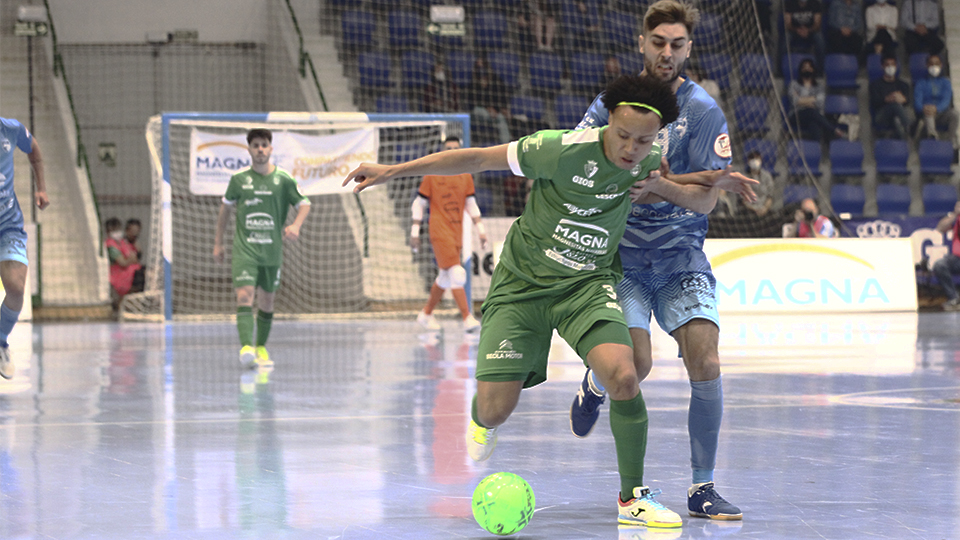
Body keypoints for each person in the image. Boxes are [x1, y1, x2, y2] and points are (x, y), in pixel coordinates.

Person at [346, 74, 753, 528]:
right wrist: (391, 171)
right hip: (523, 287)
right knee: (496, 407)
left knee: (624, 375)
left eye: (642, 141)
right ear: (608, 122)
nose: (630, 149)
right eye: (622, 136)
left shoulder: (646, 157)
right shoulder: (556, 149)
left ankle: (632, 498)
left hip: (586, 285)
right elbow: (477, 158)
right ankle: (482, 419)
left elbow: (670, 177)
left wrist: (716, 179)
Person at [572, 0, 749, 522]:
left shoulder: (704, 111)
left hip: (681, 258)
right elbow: (583, 164)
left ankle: (702, 487)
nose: (666, 52)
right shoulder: (612, 105)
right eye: (658, 43)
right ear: (642, 44)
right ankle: (595, 383)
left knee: (708, 361)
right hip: (621, 257)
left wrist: (659, 186)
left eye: (677, 44)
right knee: (637, 364)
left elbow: (707, 199)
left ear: (688, 49)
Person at [213, 128, 311, 369]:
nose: (260, 149)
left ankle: (261, 348)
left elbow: (305, 203)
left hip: (272, 251)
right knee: (244, 296)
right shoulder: (238, 180)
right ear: (249, 150)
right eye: (255, 145)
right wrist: (218, 242)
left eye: (264, 145)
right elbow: (225, 210)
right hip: (245, 250)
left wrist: (296, 226)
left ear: (270, 149)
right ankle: (246, 348)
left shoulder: (283, 180)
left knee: (267, 302)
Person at [411, 136, 487, 332]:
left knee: (444, 276)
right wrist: (415, 231)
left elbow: (471, 203)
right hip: (439, 230)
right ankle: (467, 317)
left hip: (457, 231)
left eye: (455, 148)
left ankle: (426, 314)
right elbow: (419, 203)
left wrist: (481, 230)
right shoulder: (432, 173)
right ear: (443, 151)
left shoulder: (465, 175)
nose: (452, 151)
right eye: (448, 148)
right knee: (457, 272)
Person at [0, 117, 48, 380]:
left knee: (16, 287)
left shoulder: (11, 129)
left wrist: (41, 188)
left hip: (8, 224)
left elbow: (34, 151)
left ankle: (0, 341)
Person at [789, 59, 846, 142]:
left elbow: (820, 103)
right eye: (804, 67)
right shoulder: (794, 84)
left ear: (813, 70)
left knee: (814, 123)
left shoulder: (819, 87)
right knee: (811, 111)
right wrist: (812, 99)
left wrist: (802, 100)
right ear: (800, 70)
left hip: (814, 116)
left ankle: (815, 149)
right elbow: (794, 101)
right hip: (796, 116)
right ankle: (833, 130)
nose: (806, 69)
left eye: (809, 67)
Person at [913, 54, 960, 148]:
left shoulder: (945, 82)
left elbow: (946, 99)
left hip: (941, 113)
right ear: (927, 65)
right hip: (926, 113)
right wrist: (924, 108)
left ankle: (952, 141)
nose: (934, 66)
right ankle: (933, 138)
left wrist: (937, 108)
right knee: (929, 112)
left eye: (937, 64)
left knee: (955, 114)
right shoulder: (920, 83)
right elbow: (917, 101)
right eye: (931, 64)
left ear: (941, 65)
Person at [466, 56, 512, 145]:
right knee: (479, 112)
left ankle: (505, 146)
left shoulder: (496, 81)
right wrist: (487, 108)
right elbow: (472, 103)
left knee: (501, 118)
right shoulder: (473, 83)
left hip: (495, 113)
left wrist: (497, 110)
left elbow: (501, 98)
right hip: (479, 112)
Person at [869, 55, 911, 140]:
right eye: (887, 65)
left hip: (898, 116)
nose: (890, 67)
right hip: (881, 116)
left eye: (892, 64)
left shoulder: (903, 85)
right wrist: (887, 99)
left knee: (897, 120)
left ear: (896, 66)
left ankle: (902, 141)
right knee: (895, 105)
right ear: (882, 66)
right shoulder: (875, 84)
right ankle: (909, 127)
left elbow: (907, 101)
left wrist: (903, 100)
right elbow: (874, 102)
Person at [106, 217, 143, 311]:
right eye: (113, 230)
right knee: (143, 276)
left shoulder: (123, 242)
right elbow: (123, 263)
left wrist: (130, 259)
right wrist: (129, 259)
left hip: (131, 271)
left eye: (118, 229)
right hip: (119, 275)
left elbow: (135, 258)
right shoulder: (111, 246)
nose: (117, 232)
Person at [933, 201, 960, 311]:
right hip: (957, 259)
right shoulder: (957, 219)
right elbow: (940, 228)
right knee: (940, 265)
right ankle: (954, 299)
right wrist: (955, 214)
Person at [783, 0, 825, 68]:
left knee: (819, 39)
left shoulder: (815, 3)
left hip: (811, 31)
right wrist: (797, 30)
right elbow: (788, 24)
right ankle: (782, 70)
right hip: (794, 31)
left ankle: (820, 70)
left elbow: (817, 24)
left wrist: (808, 30)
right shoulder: (789, 3)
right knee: (786, 39)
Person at [737, 151, 779, 217]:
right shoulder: (743, 177)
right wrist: (755, 209)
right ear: (748, 161)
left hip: (765, 209)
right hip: (749, 210)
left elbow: (770, 196)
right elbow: (743, 200)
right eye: (752, 159)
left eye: (757, 159)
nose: (755, 161)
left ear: (761, 160)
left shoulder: (767, 176)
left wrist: (764, 208)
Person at [124, 218, 146, 293]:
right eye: (132, 231)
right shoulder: (123, 243)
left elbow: (138, 259)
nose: (135, 234)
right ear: (127, 230)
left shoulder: (135, 244)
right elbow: (132, 259)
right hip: (127, 272)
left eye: (137, 231)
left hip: (135, 269)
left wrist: (139, 251)